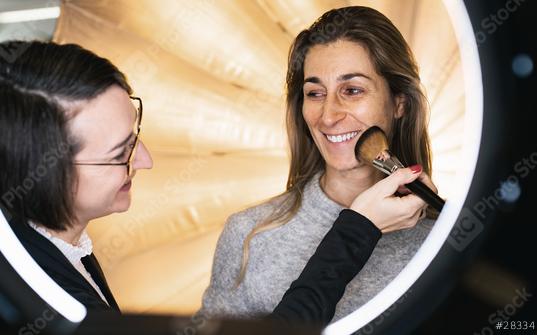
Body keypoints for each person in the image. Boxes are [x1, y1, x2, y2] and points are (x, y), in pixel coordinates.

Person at [0, 40, 430, 325]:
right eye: (120, 154)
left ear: (399, 105)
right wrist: (356, 232)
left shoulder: (65, 253)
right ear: (43, 172)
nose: (145, 161)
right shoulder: (46, 302)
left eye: (353, 90)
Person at [200, 6, 439, 323]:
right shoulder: (249, 235)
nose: (328, 116)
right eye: (314, 93)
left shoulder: (444, 238)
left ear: (400, 103)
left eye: (352, 90)